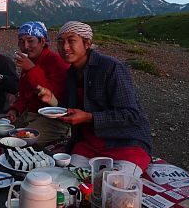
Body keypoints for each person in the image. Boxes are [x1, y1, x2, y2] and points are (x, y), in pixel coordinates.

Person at [40, 21, 152, 175]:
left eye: (71, 41)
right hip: (89, 144)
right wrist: (52, 99)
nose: (65, 47)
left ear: (87, 43)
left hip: (125, 143)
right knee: (71, 179)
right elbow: (73, 110)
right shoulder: (71, 74)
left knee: (113, 186)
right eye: (60, 42)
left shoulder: (111, 67)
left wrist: (89, 117)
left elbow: (130, 114)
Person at [6, 21, 71, 146]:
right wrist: (15, 109)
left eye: (30, 41)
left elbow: (52, 95)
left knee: (20, 142)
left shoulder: (56, 61)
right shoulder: (30, 61)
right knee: (3, 131)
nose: (25, 46)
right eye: (21, 41)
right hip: (30, 113)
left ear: (42, 41)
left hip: (53, 119)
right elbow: (25, 94)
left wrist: (32, 69)